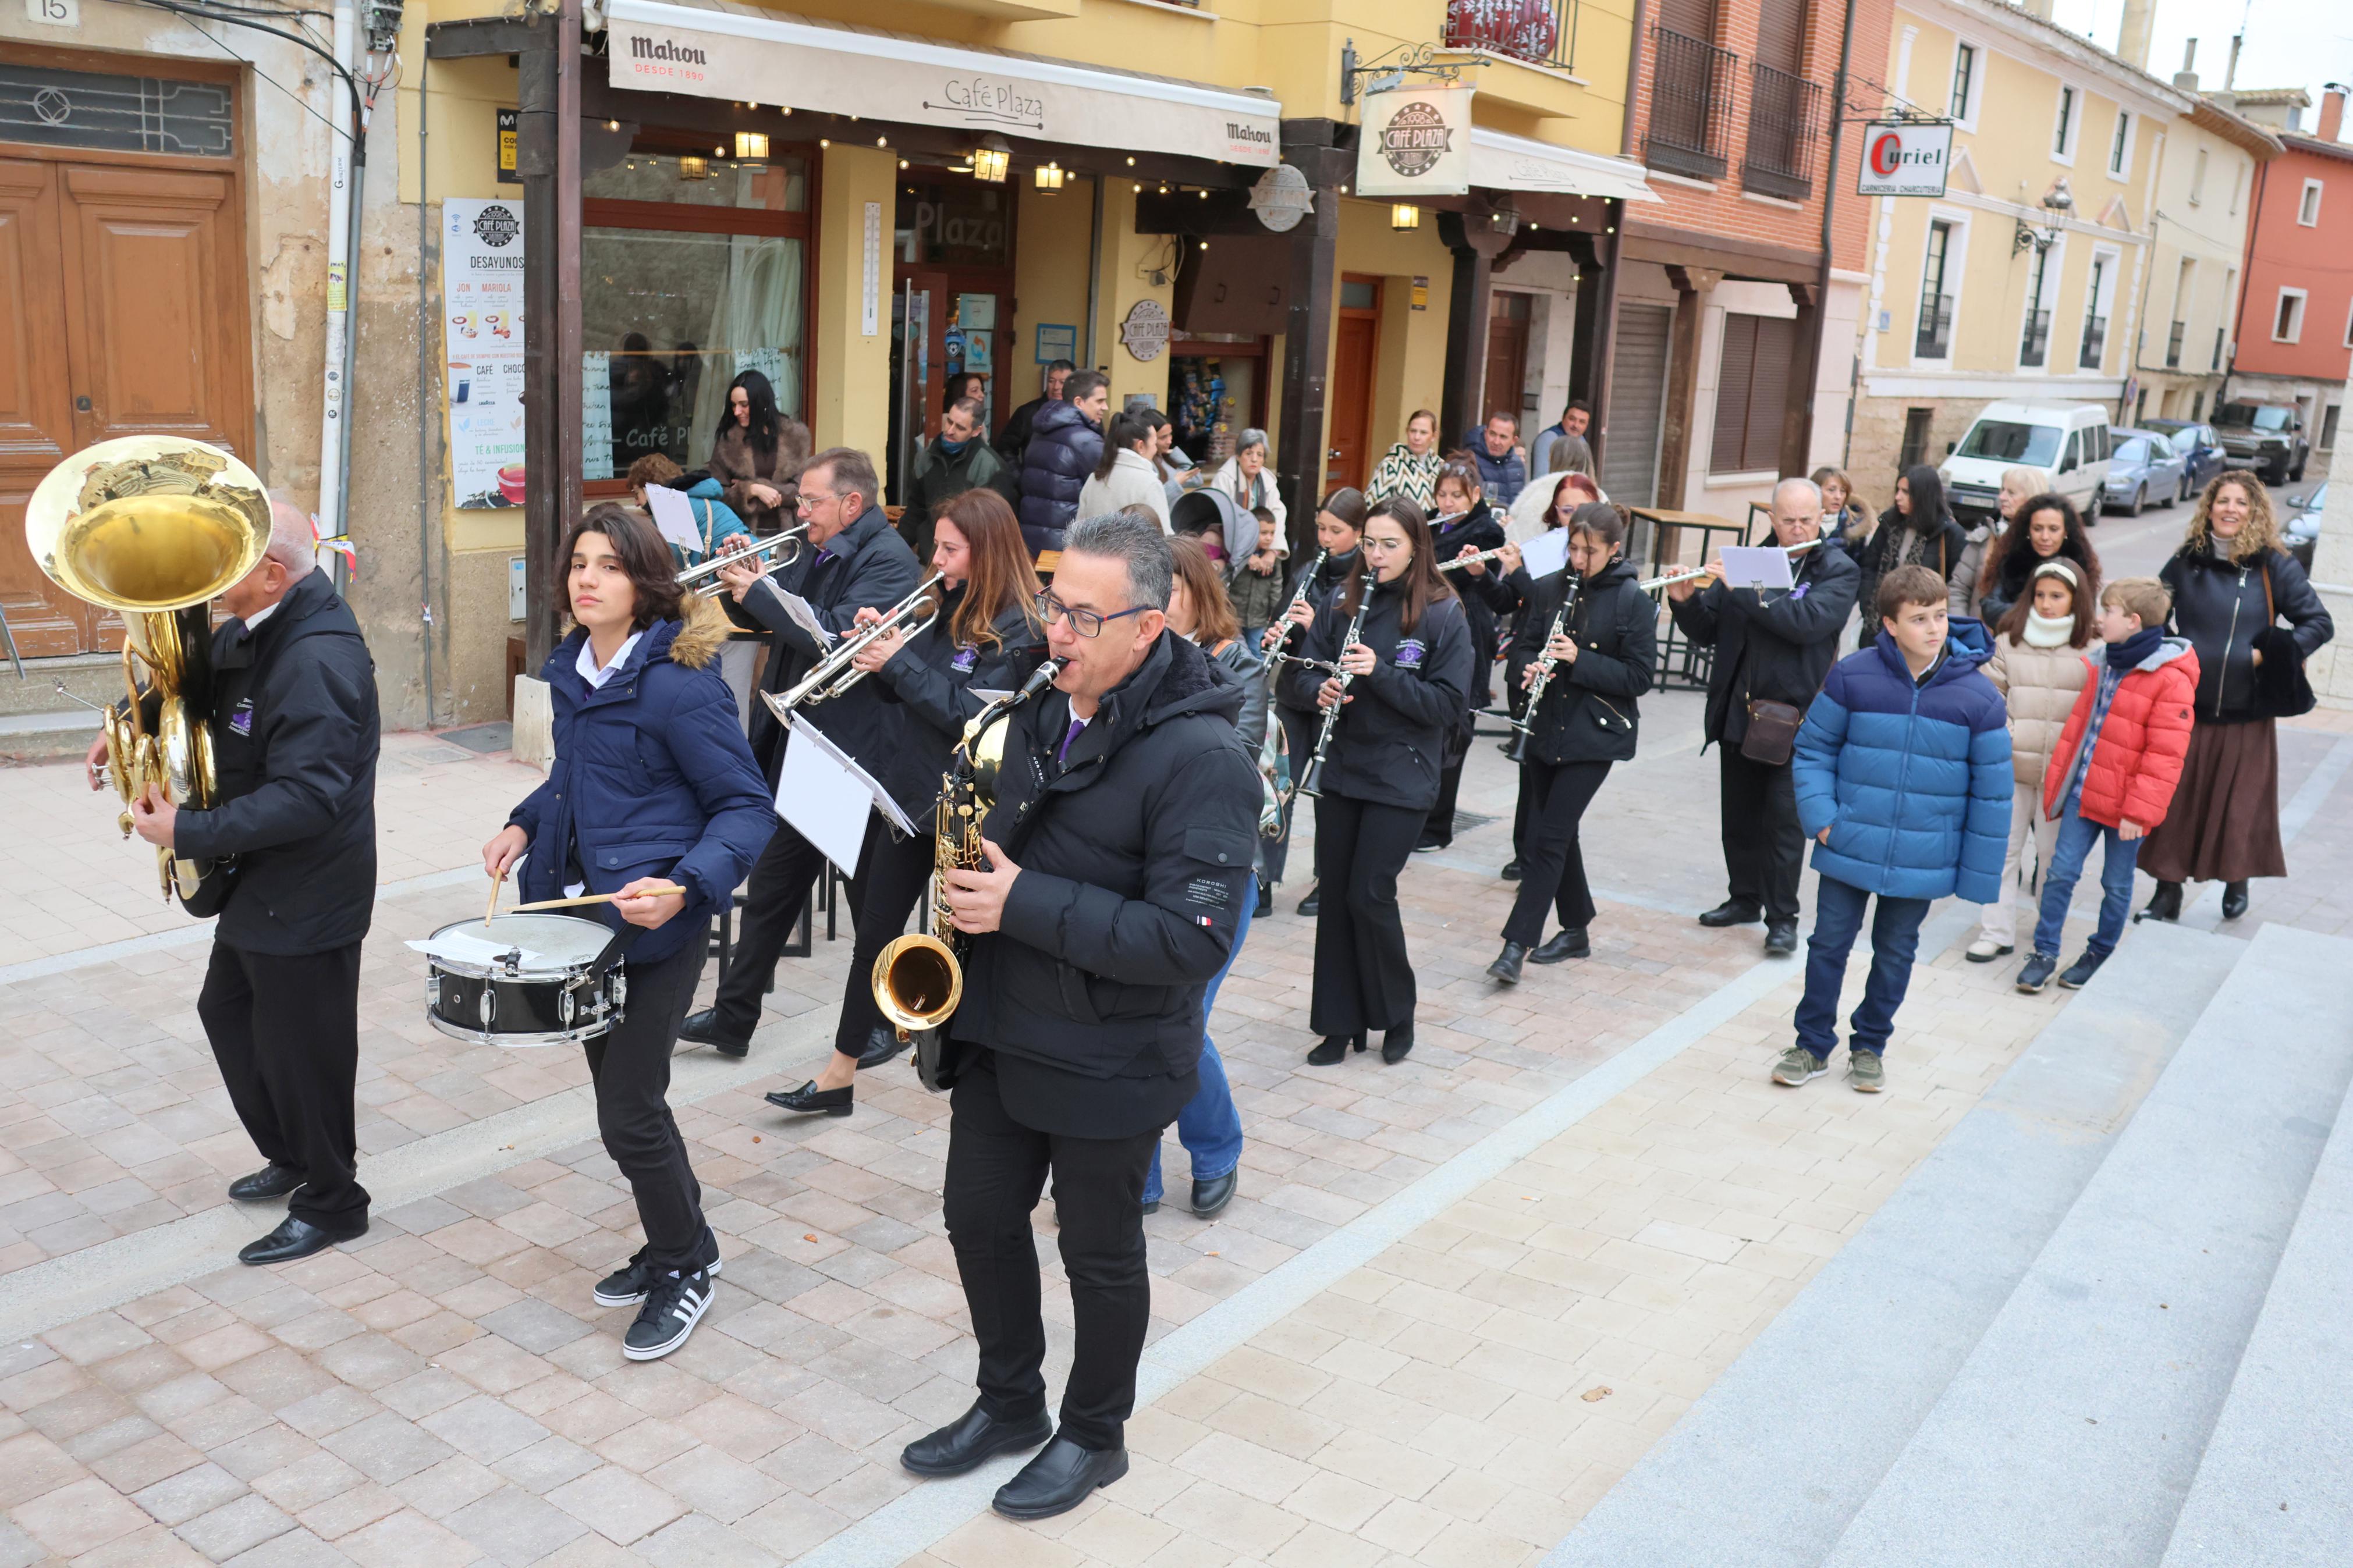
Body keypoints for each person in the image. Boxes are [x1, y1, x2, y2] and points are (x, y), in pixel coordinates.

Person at [896, 512, 1258, 1522]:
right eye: (1054, 606)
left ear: (1148, 628)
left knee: (1098, 1255)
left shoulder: (1205, 760)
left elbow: (1190, 939)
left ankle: (1095, 1436)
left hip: (1113, 1053)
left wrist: (1021, 904)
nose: (1055, 631)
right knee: (976, 1218)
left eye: (1082, 618)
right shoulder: (1038, 710)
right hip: (1002, 1031)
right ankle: (1008, 1403)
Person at [484, 507, 773, 1358]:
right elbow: (574, 783)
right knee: (630, 1109)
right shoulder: (569, 670)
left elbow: (746, 807)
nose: (586, 578)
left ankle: (683, 1265)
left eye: (608, 566)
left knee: (627, 1111)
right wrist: (524, 823)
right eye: (579, 562)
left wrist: (686, 888)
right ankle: (683, 1236)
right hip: (580, 925)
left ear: (644, 584)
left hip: (659, 927)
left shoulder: (682, 685)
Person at [117, 501, 381, 1267]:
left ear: (271, 575)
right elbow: (192, 683)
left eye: (227, 559)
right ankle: (295, 1152)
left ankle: (335, 1200)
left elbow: (310, 795)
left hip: (310, 886)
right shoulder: (258, 625)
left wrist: (187, 832)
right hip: (264, 880)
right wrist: (129, 723)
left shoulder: (315, 659)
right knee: (228, 1009)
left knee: (308, 1046)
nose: (211, 571)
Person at [681, 449, 924, 1075]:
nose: (798, 511)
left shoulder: (888, 560)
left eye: (810, 501)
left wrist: (763, 591)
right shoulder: (820, 548)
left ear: (851, 503)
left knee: (873, 903)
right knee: (772, 888)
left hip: (854, 752)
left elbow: (833, 639)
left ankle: (886, 1021)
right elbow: (777, 621)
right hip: (808, 742)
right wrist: (747, 581)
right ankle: (734, 1017)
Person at [1777, 564, 2011, 1093]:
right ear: (1888, 624)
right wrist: (1823, 821)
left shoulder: (1979, 700)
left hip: (1923, 855)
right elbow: (1813, 749)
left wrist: (1974, 876)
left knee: (1895, 952)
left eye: (1940, 616)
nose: (1934, 628)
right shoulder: (1852, 675)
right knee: (1828, 943)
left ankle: (1869, 1046)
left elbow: (1992, 796)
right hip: (1850, 840)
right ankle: (1811, 1044)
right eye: (1919, 618)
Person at [1276, 498, 1472, 1067]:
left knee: (1370, 893)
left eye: (1389, 544)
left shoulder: (1440, 612)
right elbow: (1296, 675)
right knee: (1335, 893)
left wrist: (1378, 674)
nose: (1376, 554)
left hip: (1402, 774)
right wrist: (1317, 692)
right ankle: (1338, 1024)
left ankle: (1396, 1011)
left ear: (1415, 548)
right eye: (1370, 543)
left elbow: (1447, 705)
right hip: (1343, 768)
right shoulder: (1342, 602)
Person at [1669, 477, 1861, 957]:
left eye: (1806, 520)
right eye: (1787, 520)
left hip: (1793, 719)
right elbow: (1707, 630)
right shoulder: (1750, 560)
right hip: (1738, 709)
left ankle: (1782, 919)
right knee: (1738, 816)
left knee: (1781, 823)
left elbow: (1805, 625)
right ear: (1771, 519)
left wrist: (1751, 591)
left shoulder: (1837, 569)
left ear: (1821, 520)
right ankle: (1743, 898)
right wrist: (1684, 599)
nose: (1797, 530)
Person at [2135, 471, 2334, 923]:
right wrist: (2170, 653)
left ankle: (2236, 877)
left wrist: (2268, 653)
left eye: (2240, 502)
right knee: (2176, 804)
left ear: (2255, 510)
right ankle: (2166, 894)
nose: (2230, 509)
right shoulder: (2185, 562)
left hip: (2248, 712)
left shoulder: (2273, 565)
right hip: (2187, 710)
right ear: (2209, 508)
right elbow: (2152, 615)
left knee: (2239, 803)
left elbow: (2318, 623)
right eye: (2221, 500)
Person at [1486, 503, 1655, 984]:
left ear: (1613, 549)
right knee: (1561, 831)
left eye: (1590, 551)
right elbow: (1520, 647)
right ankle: (1576, 928)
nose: (1578, 560)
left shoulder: (1631, 600)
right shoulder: (1547, 589)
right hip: (1545, 726)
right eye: (1573, 549)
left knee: (1548, 836)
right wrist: (1528, 668)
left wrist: (1578, 659)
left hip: (1595, 734)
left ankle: (1515, 945)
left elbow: (1639, 676)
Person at [1144, 534, 1261, 1219]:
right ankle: (1141, 1175)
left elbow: (1229, 768)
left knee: (1180, 1018)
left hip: (1214, 873)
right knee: (1148, 1018)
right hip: (1142, 867)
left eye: (1167, 591)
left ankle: (1216, 1146)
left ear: (1196, 592)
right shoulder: (1130, 661)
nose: (1153, 606)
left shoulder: (1238, 666)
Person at [2015, 578, 2198, 993]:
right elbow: (2082, 730)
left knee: (2115, 884)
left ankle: (2100, 951)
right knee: (2059, 872)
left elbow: (2165, 754)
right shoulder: (2104, 662)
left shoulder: (2170, 678)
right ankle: (2044, 951)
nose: (2098, 618)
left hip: (2126, 810)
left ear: (2133, 622)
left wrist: (2138, 811)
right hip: (2084, 793)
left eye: (2107, 611)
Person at [1967, 558, 2099, 963]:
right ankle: (1995, 931)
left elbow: (2098, 709)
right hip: (2010, 769)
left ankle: (2047, 929)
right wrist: (2003, 736)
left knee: (2052, 857)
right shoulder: (2008, 638)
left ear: (2076, 599)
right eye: (2039, 595)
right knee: (2001, 852)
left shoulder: (2093, 647)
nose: (2046, 603)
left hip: (2061, 776)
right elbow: (1988, 695)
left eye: (2056, 596)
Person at [1260, 489, 1368, 915]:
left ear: (1359, 533)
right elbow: (1283, 623)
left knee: (1329, 796)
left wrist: (1315, 624)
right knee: (1276, 785)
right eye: (1321, 528)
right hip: (1295, 692)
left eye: (1335, 531)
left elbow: (1356, 645)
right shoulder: (1307, 570)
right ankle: (1262, 876)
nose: (1325, 538)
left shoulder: (1365, 579)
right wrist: (1282, 632)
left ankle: (1328, 879)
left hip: (1338, 701)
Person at [629, 455, 760, 729]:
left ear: (649, 487)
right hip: (744, 609)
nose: (635, 501)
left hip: (726, 614)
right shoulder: (706, 503)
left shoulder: (674, 509)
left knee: (726, 702)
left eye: (636, 492)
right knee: (731, 697)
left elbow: (660, 571)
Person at [1420, 459, 1511, 851]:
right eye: (1442, 494)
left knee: (1456, 728)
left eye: (1455, 495)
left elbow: (1460, 578)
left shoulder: (1486, 529)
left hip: (1467, 628)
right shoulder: (1429, 521)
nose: (1446, 502)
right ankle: (1418, 815)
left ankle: (1438, 826)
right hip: (1425, 628)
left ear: (1473, 495)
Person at [1855, 464, 1967, 650]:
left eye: (1906, 492)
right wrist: (1868, 604)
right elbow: (1870, 566)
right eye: (1898, 490)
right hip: (1878, 625)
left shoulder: (1950, 534)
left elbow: (1957, 584)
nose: (1898, 497)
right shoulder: (1889, 524)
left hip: (1921, 630)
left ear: (1924, 495)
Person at [902, 396, 1016, 563]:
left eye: (960, 427)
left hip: (970, 565)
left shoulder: (992, 468)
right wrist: (897, 547)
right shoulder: (927, 457)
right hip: (930, 558)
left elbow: (996, 529)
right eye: (949, 422)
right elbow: (915, 511)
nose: (950, 430)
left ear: (976, 431)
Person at [708, 368, 812, 536]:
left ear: (761, 402)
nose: (736, 412)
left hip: (789, 534)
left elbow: (803, 490)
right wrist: (750, 490)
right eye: (733, 405)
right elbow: (716, 492)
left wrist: (762, 489)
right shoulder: (728, 441)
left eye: (744, 405)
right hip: (742, 536)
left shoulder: (794, 437)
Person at [1975, 484, 2095, 628]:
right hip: (2016, 644)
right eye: (2038, 529)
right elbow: (1990, 608)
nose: (2045, 537)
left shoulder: (2080, 564)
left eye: (2053, 529)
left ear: (2066, 532)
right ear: (2028, 530)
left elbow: (2085, 615)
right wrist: (2037, 615)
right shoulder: (2011, 560)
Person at [1018, 369, 1109, 552]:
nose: (1105, 407)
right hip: (1066, 541)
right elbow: (1105, 490)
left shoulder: (1041, 431)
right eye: (1099, 401)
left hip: (1031, 538)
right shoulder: (1087, 441)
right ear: (1078, 402)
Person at [1953, 465, 2053, 619]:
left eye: (2011, 493)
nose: (2002, 497)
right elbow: (1958, 589)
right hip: (1976, 637)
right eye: (2002, 490)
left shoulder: (2046, 545)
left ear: (2031, 499)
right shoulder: (1985, 537)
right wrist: (1964, 629)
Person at [1077, 411, 1171, 530]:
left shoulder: (1095, 478)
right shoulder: (1149, 483)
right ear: (1141, 446)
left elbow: (1079, 529)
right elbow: (1164, 536)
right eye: (1154, 443)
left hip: (1092, 548)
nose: (1155, 449)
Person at [1226, 505, 1289, 647]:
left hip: (1259, 618)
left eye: (1272, 533)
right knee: (1235, 647)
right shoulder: (1238, 557)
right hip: (1236, 614)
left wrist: (1275, 613)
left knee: (1256, 649)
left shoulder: (1274, 560)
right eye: (1264, 533)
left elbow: (1276, 588)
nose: (1269, 538)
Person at [996, 358, 1075, 468]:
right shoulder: (1027, 413)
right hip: (1032, 481)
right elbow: (1005, 449)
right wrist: (1018, 477)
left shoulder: (1081, 415)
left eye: (1062, 382)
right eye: (1052, 381)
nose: (1056, 387)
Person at [1208, 428, 1287, 537]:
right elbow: (1219, 517)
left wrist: (1272, 551)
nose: (1254, 459)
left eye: (1260, 455)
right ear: (1238, 456)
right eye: (1249, 453)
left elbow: (1278, 514)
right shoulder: (1225, 478)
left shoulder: (1268, 482)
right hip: (1229, 542)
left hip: (1262, 543)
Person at [1366, 408, 1444, 510]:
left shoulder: (1441, 467)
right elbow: (1371, 506)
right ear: (1407, 431)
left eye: (1423, 433)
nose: (1417, 437)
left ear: (1434, 436)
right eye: (1413, 431)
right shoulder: (1391, 465)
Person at [1458, 411, 1529, 506]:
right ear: (1486, 433)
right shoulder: (1469, 461)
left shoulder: (1517, 465)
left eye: (1503, 437)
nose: (1496, 442)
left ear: (1514, 441)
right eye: (1492, 434)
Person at [1528, 399, 1593, 480]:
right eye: (1572, 419)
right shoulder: (1548, 438)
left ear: (1587, 425)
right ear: (1563, 418)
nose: (1576, 425)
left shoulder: (1581, 440)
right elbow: (1541, 478)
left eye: (1582, 422)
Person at [1812, 466, 1868, 556]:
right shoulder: (1801, 523)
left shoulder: (1854, 527)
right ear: (1816, 491)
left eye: (1843, 491)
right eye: (1831, 490)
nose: (1838, 496)